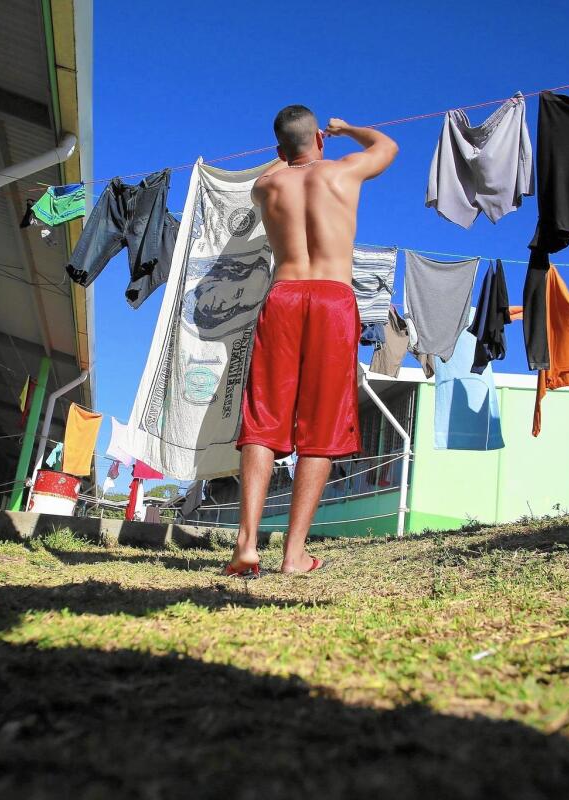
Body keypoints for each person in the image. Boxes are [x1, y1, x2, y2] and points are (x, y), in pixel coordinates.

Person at [223, 105, 398, 577]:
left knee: (263, 417)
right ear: (319, 137)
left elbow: (286, 160)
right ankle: (294, 553)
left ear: (278, 149)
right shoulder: (344, 172)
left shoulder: (267, 186)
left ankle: (245, 544)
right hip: (332, 298)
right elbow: (387, 147)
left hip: (282, 296)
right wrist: (346, 130)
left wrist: (290, 150)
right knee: (322, 422)